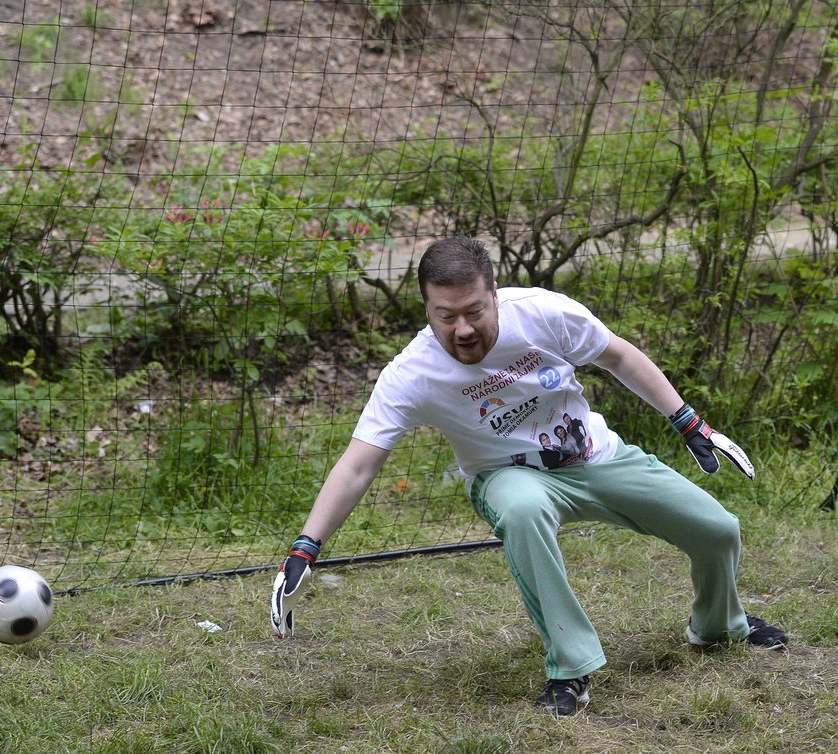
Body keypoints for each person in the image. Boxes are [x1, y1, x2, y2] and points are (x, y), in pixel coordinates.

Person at [270, 236, 787, 716]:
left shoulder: (542, 313)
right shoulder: (412, 374)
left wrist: (688, 421)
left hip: (594, 455)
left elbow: (620, 356)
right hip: (506, 477)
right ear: (426, 308)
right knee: (522, 510)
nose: (464, 329)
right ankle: (572, 668)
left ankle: (718, 627)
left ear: (495, 294)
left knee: (718, 530)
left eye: (474, 311)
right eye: (445, 317)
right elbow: (359, 462)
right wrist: (305, 546)